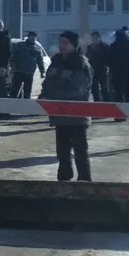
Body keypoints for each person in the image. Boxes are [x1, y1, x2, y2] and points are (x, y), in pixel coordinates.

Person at [39, 31, 92, 182]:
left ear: (74, 45)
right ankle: (64, 180)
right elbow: (48, 82)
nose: (62, 46)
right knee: (62, 152)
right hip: (60, 116)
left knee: (80, 151)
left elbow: (78, 90)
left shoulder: (81, 64)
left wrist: (53, 97)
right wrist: (44, 95)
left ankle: (84, 181)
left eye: (65, 43)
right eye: (60, 42)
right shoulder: (56, 62)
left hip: (77, 116)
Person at [108, 27, 129, 112]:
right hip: (127, 72)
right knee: (128, 91)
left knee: (118, 93)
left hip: (117, 73)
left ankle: (119, 113)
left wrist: (112, 68)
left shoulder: (113, 47)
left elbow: (107, 60)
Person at [10, 31, 48, 99]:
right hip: (19, 71)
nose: (32, 39)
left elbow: (40, 61)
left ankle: (25, 105)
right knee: (14, 91)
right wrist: (13, 66)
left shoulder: (37, 49)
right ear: (29, 37)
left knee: (27, 92)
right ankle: (12, 104)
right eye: (31, 37)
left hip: (29, 73)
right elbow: (13, 57)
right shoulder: (20, 46)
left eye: (34, 37)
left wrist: (42, 71)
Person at [86, 31, 109, 102]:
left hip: (102, 70)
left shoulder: (104, 47)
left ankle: (107, 103)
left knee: (104, 89)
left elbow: (108, 57)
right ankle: (97, 103)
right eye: (93, 38)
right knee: (94, 90)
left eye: (95, 37)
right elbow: (87, 58)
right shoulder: (90, 47)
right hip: (93, 71)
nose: (94, 39)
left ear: (99, 38)